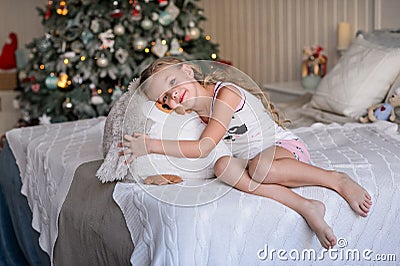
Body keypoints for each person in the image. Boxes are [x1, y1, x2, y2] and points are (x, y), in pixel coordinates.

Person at [121, 57, 372, 249]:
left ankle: (336, 179)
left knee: (261, 168)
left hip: (285, 150)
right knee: (222, 167)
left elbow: (203, 147)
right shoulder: (195, 115)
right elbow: (203, 151)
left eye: (172, 83)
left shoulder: (226, 94)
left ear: (187, 70)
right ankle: (306, 206)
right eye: (165, 99)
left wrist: (151, 145)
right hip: (253, 162)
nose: (172, 95)